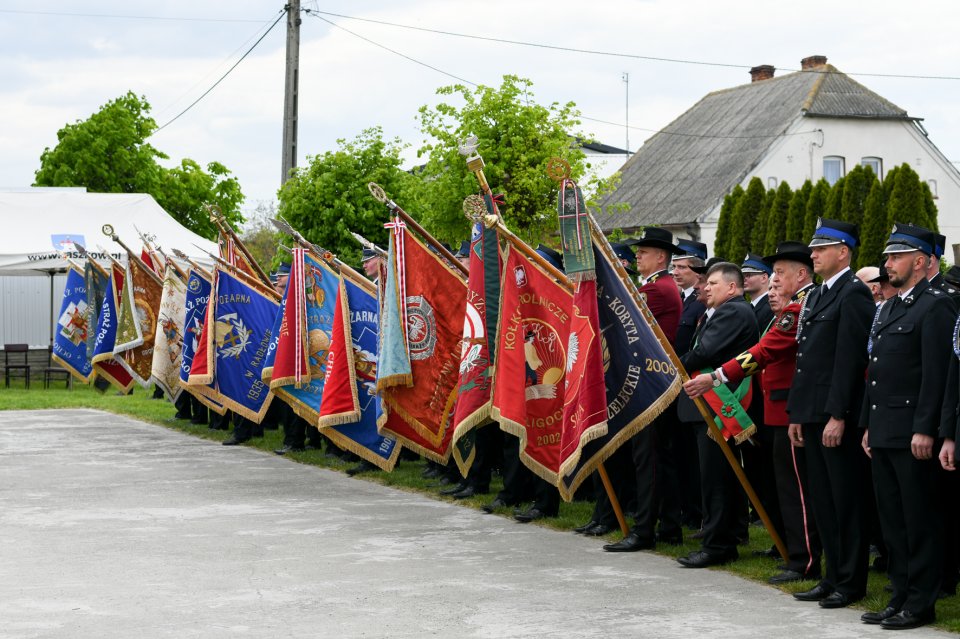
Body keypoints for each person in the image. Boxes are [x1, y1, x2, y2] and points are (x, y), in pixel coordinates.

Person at [684, 241, 821, 583]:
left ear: (800, 274)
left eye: (779, 274)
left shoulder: (797, 309)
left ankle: (802, 559)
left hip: (790, 410)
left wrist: (715, 376)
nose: (774, 281)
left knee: (794, 491)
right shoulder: (794, 309)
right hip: (778, 410)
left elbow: (763, 352)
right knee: (782, 488)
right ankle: (794, 554)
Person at [859, 224, 954, 630]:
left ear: (919, 261)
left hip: (913, 434)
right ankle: (898, 595)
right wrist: (867, 425)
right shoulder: (892, 307)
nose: (887, 264)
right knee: (893, 522)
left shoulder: (936, 306)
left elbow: (937, 374)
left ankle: (921, 603)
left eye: (895, 257)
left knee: (919, 520)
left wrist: (926, 429)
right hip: (884, 430)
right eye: (886, 257)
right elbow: (877, 372)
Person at [788, 217, 874, 609]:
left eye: (821, 248)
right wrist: (797, 414)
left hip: (836, 414)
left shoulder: (853, 294)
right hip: (812, 411)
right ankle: (831, 576)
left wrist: (838, 414)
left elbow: (849, 359)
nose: (813, 254)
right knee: (823, 500)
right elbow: (807, 360)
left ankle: (850, 582)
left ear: (843, 252)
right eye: (813, 248)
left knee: (845, 500)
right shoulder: (820, 294)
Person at [603, 228, 683, 552]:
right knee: (658, 459)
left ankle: (645, 528)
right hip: (655, 383)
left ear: (661, 257)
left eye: (645, 252)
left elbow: (628, 330)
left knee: (647, 459)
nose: (638, 256)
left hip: (651, 384)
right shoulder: (657, 286)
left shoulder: (657, 290)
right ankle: (668, 526)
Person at [674, 262, 758, 567]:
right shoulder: (727, 310)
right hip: (710, 402)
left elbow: (704, 352)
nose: (705, 287)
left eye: (713, 283)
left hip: (717, 404)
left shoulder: (733, 311)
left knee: (716, 478)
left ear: (732, 287)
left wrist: (672, 363)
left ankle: (717, 545)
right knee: (723, 475)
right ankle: (730, 536)